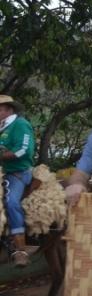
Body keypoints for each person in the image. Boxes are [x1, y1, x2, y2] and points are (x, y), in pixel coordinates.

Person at [0, 95, 37, 267]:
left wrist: (3, 155)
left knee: (11, 201)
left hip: (18, 173)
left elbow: (25, 150)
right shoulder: (2, 127)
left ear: (9, 109)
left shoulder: (20, 124)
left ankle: (20, 249)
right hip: (3, 172)